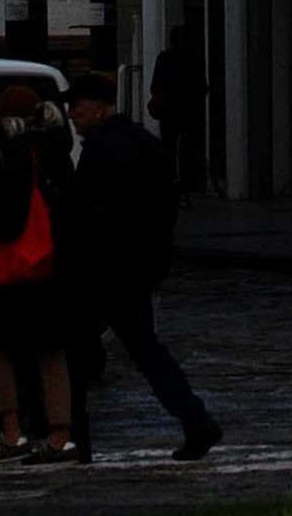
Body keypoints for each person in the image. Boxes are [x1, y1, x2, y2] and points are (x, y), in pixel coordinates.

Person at [65, 71, 222, 462]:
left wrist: (78, 259)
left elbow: (92, 216)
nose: (72, 114)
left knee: (76, 351)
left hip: (108, 269)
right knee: (144, 349)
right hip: (138, 265)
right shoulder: (143, 142)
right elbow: (168, 202)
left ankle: (71, 435)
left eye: (78, 107)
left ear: (100, 107)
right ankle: (195, 419)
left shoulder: (102, 152)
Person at [0, 82, 77, 466]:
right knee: (50, 350)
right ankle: (60, 433)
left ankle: (13, 430)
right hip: (49, 262)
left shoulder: (13, 156)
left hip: (12, 266)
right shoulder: (58, 151)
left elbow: (4, 216)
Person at [148, 26, 209, 199]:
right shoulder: (194, 59)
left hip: (168, 112)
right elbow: (202, 85)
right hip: (189, 112)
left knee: (168, 149)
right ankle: (185, 187)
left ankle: (170, 183)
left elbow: (155, 85)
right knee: (186, 151)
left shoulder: (164, 58)